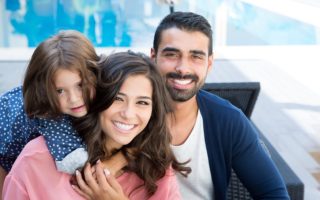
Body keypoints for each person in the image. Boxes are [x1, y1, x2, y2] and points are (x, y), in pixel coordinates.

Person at [3, 51, 190, 200]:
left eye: (142, 102)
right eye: (117, 98)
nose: (128, 113)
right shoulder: (37, 158)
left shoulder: (158, 171)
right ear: (97, 97)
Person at [0, 30, 125, 197]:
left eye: (80, 85)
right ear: (44, 91)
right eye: (59, 90)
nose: (74, 99)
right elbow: (79, 168)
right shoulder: (51, 119)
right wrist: (120, 160)